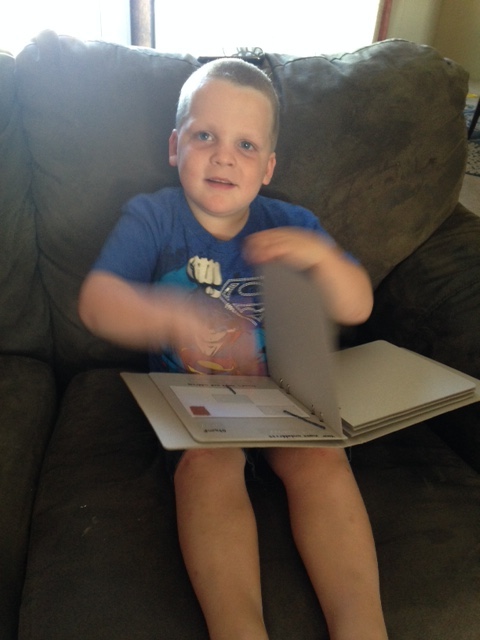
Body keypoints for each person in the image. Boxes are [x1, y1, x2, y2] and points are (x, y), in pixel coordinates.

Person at [78, 58, 388, 640]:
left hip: (283, 399)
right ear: (175, 147)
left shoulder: (290, 222)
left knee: (324, 462)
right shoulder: (153, 217)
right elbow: (98, 301)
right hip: (196, 406)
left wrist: (320, 257)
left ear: (268, 167)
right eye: (205, 136)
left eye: (246, 145)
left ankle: (363, 628)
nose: (224, 156)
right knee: (207, 471)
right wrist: (167, 312)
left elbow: (356, 307)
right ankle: (237, 629)